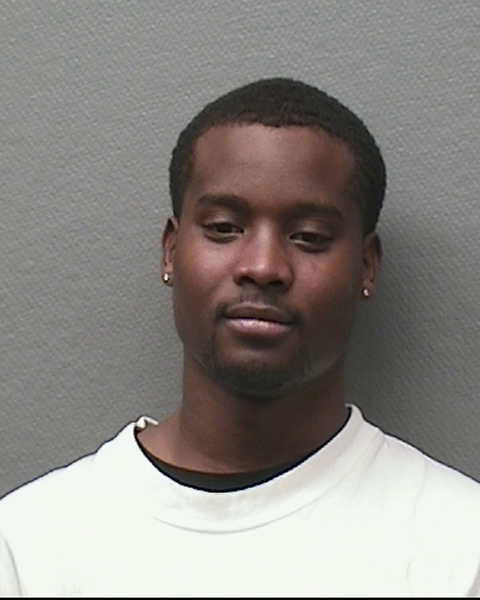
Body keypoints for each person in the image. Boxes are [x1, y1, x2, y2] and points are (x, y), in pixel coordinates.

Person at [1, 77, 479, 597]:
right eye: (224, 228)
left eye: (309, 237)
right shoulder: (28, 547)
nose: (263, 266)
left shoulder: (460, 548)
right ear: (170, 251)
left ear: (366, 266)